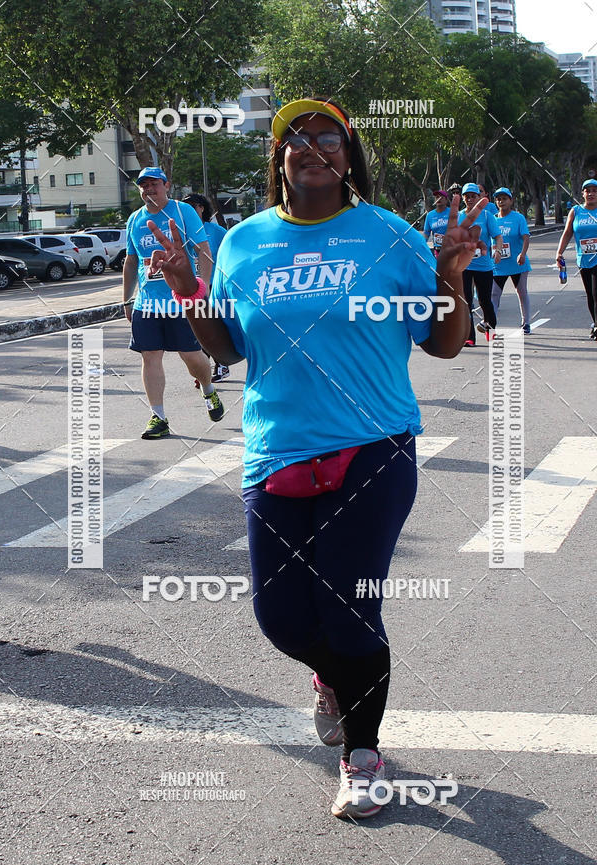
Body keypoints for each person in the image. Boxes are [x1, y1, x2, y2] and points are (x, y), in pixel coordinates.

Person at [144, 98, 486, 820]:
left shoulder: (389, 235)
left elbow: (443, 343)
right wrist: (185, 290)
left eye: (326, 138)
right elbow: (228, 348)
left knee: (352, 608)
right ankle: (334, 678)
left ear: (347, 154)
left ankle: (362, 756)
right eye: (294, 139)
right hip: (276, 449)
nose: (309, 148)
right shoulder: (243, 242)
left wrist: (451, 272)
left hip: (374, 446)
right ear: (279, 160)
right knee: (284, 622)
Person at [123, 167, 224, 438]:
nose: (148, 189)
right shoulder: (134, 219)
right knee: (150, 356)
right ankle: (158, 417)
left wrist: (203, 289)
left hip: (182, 301)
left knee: (191, 356)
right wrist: (126, 300)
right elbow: (131, 261)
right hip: (147, 304)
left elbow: (203, 250)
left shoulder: (182, 212)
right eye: (143, 185)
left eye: (154, 184)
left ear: (166, 185)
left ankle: (208, 390)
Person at [183, 193, 230, 381]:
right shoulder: (181, 230)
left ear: (202, 208)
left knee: (214, 326)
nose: (190, 211)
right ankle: (204, 367)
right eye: (185, 207)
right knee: (197, 329)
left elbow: (230, 254)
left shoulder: (215, 231)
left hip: (213, 286)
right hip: (190, 288)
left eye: (193, 206)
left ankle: (222, 365)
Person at [459, 182, 503, 344]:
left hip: (484, 265)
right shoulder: (458, 217)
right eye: (467, 196)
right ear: (463, 198)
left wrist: (497, 250)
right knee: (466, 301)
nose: (470, 199)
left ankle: (491, 330)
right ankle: (469, 337)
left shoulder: (486, 216)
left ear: (480, 197)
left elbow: (497, 236)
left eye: (473, 196)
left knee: (485, 300)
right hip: (465, 266)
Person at [556, 178, 597, 339]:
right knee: (590, 295)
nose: (591, 193)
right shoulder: (576, 211)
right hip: (583, 259)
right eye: (588, 191)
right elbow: (567, 233)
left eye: (595, 190)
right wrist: (559, 252)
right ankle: (595, 323)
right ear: (583, 193)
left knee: (596, 292)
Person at [491, 188, 532, 334]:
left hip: (517, 263)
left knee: (521, 292)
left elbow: (526, 237)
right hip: (498, 265)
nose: (501, 201)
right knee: (494, 294)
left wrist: (522, 254)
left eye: (504, 198)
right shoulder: (493, 219)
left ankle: (526, 323)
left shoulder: (518, 218)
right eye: (498, 199)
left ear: (511, 200)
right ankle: (491, 324)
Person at [423, 190, 450, 257]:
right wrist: (422, 244)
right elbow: (426, 233)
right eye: (436, 197)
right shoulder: (430, 215)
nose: (438, 199)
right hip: (438, 250)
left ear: (446, 200)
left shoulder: (453, 212)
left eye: (441, 197)